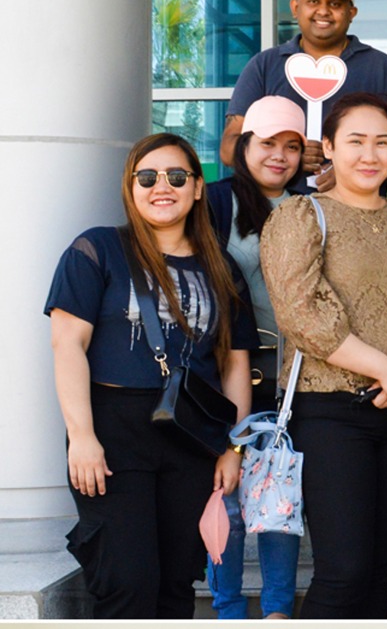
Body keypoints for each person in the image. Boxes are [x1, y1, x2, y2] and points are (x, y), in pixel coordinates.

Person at [45, 133, 256, 618]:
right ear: (131, 186)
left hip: (191, 435)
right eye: (148, 177)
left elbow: (235, 364)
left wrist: (233, 447)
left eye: (177, 176)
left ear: (198, 188)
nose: (163, 186)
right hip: (113, 432)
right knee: (126, 580)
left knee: (177, 580)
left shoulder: (223, 269)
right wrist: (82, 437)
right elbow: (67, 345)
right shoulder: (97, 249)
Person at [259, 92, 387, 619]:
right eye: (356, 142)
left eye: (383, 142)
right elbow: (303, 316)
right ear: (329, 148)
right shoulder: (300, 216)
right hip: (330, 415)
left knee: (379, 570)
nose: (370, 155)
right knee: (342, 572)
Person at [204, 96, 311, 620]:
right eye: (268, 144)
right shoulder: (215, 202)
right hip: (227, 371)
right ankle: (227, 608)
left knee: (279, 497)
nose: (280, 156)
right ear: (244, 144)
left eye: (292, 146)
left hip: (291, 378)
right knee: (224, 495)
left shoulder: (310, 203)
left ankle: (276, 610)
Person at [222, 0, 387, 183]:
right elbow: (229, 147)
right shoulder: (264, 66)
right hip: (273, 209)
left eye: (335, 3)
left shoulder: (382, 68)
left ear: (351, 13)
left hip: (357, 210)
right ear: (295, 7)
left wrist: (350, 173)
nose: (323, 11)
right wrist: (288, 156)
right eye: (313, 1)